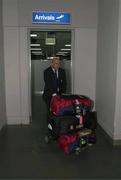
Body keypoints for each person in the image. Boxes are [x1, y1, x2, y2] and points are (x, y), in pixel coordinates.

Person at [43, 56, 67, 141]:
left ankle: (58, 128)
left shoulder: (62, 71)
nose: (57, 65)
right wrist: (54, 95)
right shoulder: (47, 72)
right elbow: (48, 84)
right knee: (50, 112)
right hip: (49, 96)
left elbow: (64, 83)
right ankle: (50, 129)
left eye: (58, 63)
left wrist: (62, 94)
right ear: (52, 63)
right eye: (56, 63)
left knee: (59, 112)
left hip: (59, 96)